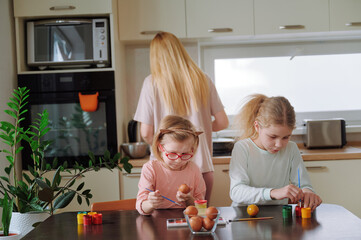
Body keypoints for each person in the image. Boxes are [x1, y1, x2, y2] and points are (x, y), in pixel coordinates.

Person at [134, 32, 228, 203]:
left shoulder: (151, 82)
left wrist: (166, 146)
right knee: (198, 220)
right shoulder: (203, 79)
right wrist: (195, 132)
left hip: (163, 168)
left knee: (161, 220)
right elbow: (222, 122)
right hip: (201, 166)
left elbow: (146, 132)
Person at [229, 94, 322, 211]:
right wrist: (273, 193)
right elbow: (236, 192)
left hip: (277, 215)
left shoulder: (291, 149)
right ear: (257, 127)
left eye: (286, 137)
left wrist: (307, 192)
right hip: (244, 216)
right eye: (273, 136)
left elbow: (303, 184)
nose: (279, 144)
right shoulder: (242, 148)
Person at [136, 115, 206, 215]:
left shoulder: (194, 170)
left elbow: (200, 208)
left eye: (185, 154)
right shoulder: (151, 168)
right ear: (160, 147)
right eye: (172, 154)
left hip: (184, 223)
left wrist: (189, 200)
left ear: (192, 150)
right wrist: (150, 203)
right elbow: (141, 206)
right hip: (157, 224)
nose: (178, 160)